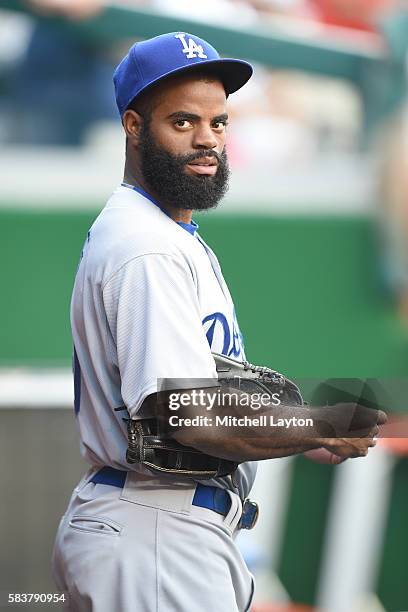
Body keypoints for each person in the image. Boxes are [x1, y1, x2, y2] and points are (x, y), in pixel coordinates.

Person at [51, 32, 385, 612]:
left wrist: (289, 426)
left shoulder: (163, 231)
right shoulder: (147, 246)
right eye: (183, 123)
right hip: (155, 527)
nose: (208, 140)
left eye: (219, 123)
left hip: (159, 528)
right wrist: (317, 424)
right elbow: (178, 415)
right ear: (133, 126)